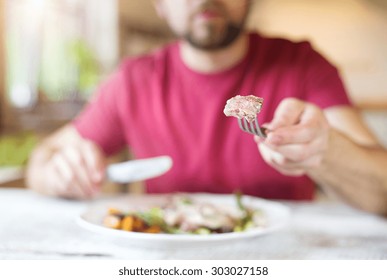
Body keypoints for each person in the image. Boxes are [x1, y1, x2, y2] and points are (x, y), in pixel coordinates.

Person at [27, 0, 387, 215]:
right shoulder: (133, 80)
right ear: (160, 5)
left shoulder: (304, 66)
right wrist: (59, 172)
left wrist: (328, 151)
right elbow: (41, 161)